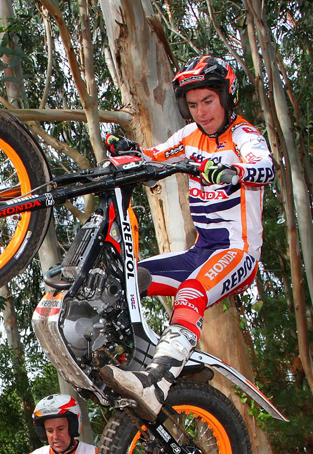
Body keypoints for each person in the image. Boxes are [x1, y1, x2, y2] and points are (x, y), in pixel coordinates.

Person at [99, 55, 275, 421]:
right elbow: (153, 159)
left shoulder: (244, 135)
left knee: (192, 292)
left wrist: (231, 169)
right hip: (200, 252)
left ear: (226, 98)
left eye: (208, 101)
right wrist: (127, 153)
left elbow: (265, 167)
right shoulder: (189, 136)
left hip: (237, 252)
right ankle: (114, 361)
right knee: (126, 278)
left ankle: (159, 378)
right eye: (193, 105)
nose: (201, 112)